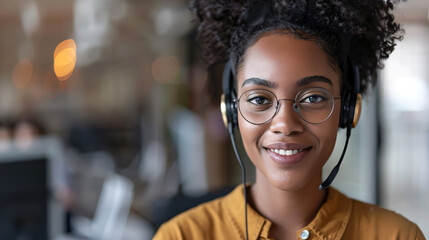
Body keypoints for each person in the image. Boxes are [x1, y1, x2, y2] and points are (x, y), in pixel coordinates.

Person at [154, 0, 425, 239]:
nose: (285, 124)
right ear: (231, 110)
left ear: (348, 110)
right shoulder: (180, 236)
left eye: (312, 98)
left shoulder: (398, 236)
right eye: (259, 99)